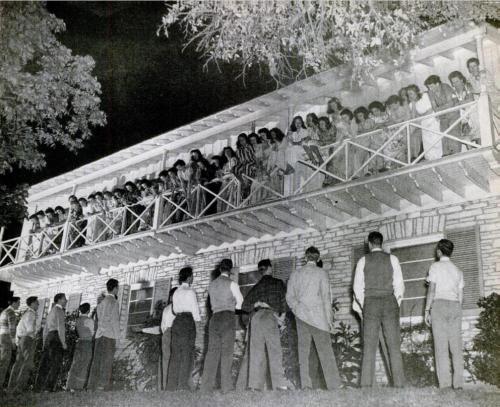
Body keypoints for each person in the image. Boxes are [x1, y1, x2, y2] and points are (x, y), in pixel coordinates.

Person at [353, 232, 405, 387]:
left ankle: (366, 385)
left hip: (370, 303)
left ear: (369, 244)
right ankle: (400, 385)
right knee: (394, 344)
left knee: (369, 345)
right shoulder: (392, 259)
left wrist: (365, 305)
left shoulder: (363, 260)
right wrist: (395, 302)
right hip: (390, 302)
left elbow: (357, 287)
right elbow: (400, 285)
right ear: (381, 243)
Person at [286, 247, 341, 390]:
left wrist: (297, 309)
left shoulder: (295, 274)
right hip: (319, 318)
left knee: (303, 352)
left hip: (301, 317)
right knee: (326, 352)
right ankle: (334, 386)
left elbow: (289, 298)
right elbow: (326, 299)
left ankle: (306, 386)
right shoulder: (322, 273)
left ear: (305, 257)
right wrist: (330, 322)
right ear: (318, 258)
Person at [241, 259, 288, 391]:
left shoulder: (256, 286)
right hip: (269, 316)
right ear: (270, 268)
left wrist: (256, 304)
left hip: (256, 318)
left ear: (260, 271)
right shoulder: (278, 283)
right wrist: (281, 318)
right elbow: (284, 302)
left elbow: (244, 306)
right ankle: (279, 385)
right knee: (274, 350)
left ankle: (254, 386)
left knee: (256, 352)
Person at [425, 239, 464, 389]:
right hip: (455, 306)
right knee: (456, 347)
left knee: (441, 347)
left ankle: (445, 385)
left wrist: (427, 310)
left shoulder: (435, 266)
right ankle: (458, 384)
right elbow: (460, 296)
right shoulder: (457, 270)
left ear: (439, 251)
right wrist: (455, 309)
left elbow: (432, 290)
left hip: (439, 305)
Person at [201, 259, 243, 393]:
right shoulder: (232, 284)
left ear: (220, 269)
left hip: (214, 318)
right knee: (227, 352)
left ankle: (205, 388)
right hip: (227, 317)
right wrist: (232, 308)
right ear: (230, 270)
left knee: (212, 353)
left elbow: (210, 302)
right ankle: (226, 387)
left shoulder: (212, 285)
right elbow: (240, 302)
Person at [166, 267, 201, 391]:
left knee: (175, 354)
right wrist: (198, 322)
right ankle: (182, 385)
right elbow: (195, 312)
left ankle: (171, 386)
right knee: (186, 353)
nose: (193, 277)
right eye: (192, 275)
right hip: (187, 321)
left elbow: (174, 310)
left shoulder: (176, 292)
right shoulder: (190, 291)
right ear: (189, 277)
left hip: (177, 322)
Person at [87, 279, 120, 391]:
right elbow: (115, 321)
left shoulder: (101, 303)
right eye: (118, 288)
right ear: (115, 288)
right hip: (109, 335)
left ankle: (91, 386)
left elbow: (99, 320)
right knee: (107, 361)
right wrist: (118, 337)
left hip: (99, 335)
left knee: (96, 361)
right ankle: (102, 385)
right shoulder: (114, 302)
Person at [36, 293, 67, 392]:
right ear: (59, 300)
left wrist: (45, 342)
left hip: (49, 337)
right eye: (64, 299)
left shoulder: (51, 311)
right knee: (55, 364)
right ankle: (48, 388)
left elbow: (45, 329)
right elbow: (61, 327)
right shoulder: (59, 311)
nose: (66, 301)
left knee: (45, 364)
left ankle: (38, 387)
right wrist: (63, 342)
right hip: (56, 338)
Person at [7, 297, 38, 393]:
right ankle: (19, 388)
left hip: (21, 339)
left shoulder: (25, 314)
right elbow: (30, 329)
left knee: (18, 363)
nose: (38, 305)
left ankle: (11, 387)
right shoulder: (31, 314)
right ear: (32, 304)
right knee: (27, 363)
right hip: (28, 339)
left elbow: (19, 328)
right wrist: (37, 329)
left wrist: (17, 341)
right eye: (37, 303)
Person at [425, 75, 460, 156]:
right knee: (443, 134)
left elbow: (451, 104)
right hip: (443, 115)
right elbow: (434, 108)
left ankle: (456, 153)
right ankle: (446, 154)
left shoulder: (445, 87)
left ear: (437, 84)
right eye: (429, 87)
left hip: (453, 113)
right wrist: (441, 108)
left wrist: (439, 108)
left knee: (453, 132)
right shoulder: (430, 92)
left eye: (431, 86)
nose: (430, 89)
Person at [407, 84, 442, 161]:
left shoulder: (425, 96)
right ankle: (431, 159)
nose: (410, 96)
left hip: (432, 119)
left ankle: (440, 157)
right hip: (423, 123)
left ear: (416, 92)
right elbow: (414, 118)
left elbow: (430, 109)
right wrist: (413, 104)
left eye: (411, 93)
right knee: (428, 143)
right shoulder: (411, 104)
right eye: (408, 94)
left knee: (435, 139)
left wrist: (421, 117)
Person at [66, 303, 94, 391]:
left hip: (79, 342)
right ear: (88, 310)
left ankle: (70, 385)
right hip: (87, 343)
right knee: (84, 364)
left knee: (76, 363)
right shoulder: (89, 320)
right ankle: (79, 386)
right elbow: (93, 333)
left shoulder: (78, 320)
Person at [0, 297, 20, 388]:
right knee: (5, 362)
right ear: (13, 303)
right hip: (7, 338)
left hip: (1, 337)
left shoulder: (4, 312)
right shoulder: (11, 312)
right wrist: (13, 342)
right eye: (18, 303)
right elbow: (12, 329)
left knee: (2, 360)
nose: (19, 304)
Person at [160, 287, 177, 390]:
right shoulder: (181, 308)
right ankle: (173, 386)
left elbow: (163, 327)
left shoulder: (166, 309)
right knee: (174, 359)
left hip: (166, 333)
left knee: (166, 360)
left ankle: (166, 386)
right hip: (175, 334)